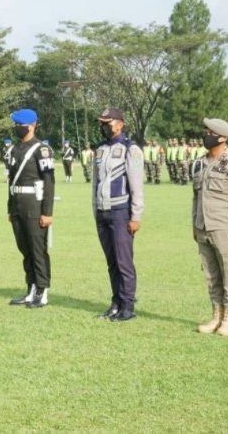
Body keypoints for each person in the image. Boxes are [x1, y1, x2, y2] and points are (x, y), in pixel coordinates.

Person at [192, 118, 228, 336]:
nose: (205, 134)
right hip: (203, 227)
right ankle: (216, 316)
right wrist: (194, 225)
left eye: (210, 132)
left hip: (224, 228)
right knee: (211, 275)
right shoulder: (199, 163)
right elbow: (195, 199)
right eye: (205, 131)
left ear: (222, 137)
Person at [92, 108, 144, 322]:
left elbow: (137, 186)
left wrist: (136, 216)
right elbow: (95, 183)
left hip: (121, 211)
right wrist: (94, 209)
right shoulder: (101, 150)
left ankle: (128, 305)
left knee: (124, 261)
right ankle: (116, 302)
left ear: (120, 123)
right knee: (111, 261)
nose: (104, 126)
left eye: (108, 123)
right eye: (102, 123)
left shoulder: (130, 149)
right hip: (103, 212)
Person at [6, 109, 55, 308]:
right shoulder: (14, 149)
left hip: (34, 204)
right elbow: (10, 181)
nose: (17, 128)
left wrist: (47, 212)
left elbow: (49, 183)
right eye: (16, 125)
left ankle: (42, 291)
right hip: (18, 204)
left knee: (37, 250)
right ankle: (31, 289)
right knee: (25, 250)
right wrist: (10, 207)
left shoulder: (41, 149)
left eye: (20, 124)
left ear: (32, 125)